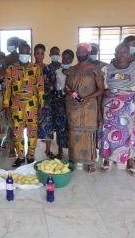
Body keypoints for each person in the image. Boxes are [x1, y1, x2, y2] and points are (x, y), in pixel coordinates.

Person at [98, 43, 135, 176]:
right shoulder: (106, 69)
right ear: (115, 54)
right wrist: (100, 111)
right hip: (110, 107)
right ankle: (107, 161)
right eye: (119, 52)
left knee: (128, 134)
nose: (121, 54)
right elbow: (102, 91)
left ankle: (129, 163)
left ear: (129, 54)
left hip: (128, 107)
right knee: (108, 134)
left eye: (124, 52)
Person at [65, 43, 104, 173]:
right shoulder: (71, 69)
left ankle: (90, 162)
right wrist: (70, 93)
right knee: (74, 132)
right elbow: (66, 87)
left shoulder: (95, 69)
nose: (80, 53)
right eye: (78, 51)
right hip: (74, 107)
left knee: (89, 133)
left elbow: (101, 89)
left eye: (83, 51)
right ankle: (74, 158)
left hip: (89, 108)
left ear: (88, 52)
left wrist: (87, 98)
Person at [4, 43, 44, 167]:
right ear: (18, 52)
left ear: (30, 53)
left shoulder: (36, 68)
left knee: (33, 133)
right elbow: (7, 89)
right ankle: (20, 156)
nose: (24, 55)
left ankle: (30, 156)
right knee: (17, 133)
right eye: (22, 52)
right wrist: (6, 107)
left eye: (27, 52)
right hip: (17, 107)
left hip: (32, 107)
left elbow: (41, 88)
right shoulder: (11, 68)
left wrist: (41, 106)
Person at [37, 45, 61, 158]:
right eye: (37, 53)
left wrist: (47, 83)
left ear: (45, 55)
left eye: (42, 53)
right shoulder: (29, 68)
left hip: (47, 100)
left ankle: (47, 149)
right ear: (34, 54)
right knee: (31, 125)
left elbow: (54, 86)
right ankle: (30, 150)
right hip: (31, 100)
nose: (40, 56)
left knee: (48, 125)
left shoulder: (49, 69)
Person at [53, 49, 73, 159]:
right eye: (64, 58)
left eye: (68, 58)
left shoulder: (75, 71)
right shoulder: (58, 72)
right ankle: (60, 151)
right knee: (60, 127)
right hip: (60, 102)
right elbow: (57, 85)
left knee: (70, 127)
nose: (66, 60)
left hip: (71, 102)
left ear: (72, 59)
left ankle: (71, 152)